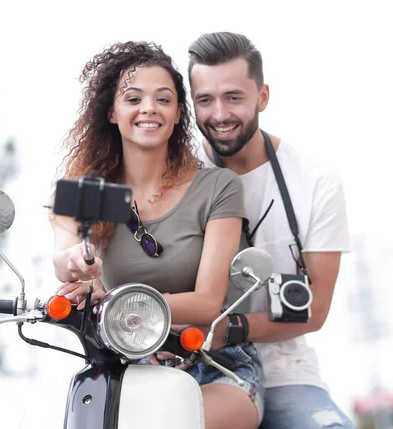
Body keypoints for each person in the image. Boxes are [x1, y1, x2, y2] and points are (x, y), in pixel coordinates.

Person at [49, 41, 264, 429]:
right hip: (130, 366)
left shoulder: (217, 187)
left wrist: (116, 301)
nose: (148, 108)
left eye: (162, 99)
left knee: (172, 421)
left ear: (178, 112)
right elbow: (63, 258)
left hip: (217, 365)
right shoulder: (85, 192)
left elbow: (206, 303)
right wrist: (76, 265)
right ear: (111, 112)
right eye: (133, 98)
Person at [187, 32, 355, 429]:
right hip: (188, 366)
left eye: (233, 97)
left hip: (285, 372)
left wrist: (232, 329)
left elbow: (314, 310)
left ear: (262, 97)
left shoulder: (317, 183)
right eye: (204, 100)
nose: (219, 114)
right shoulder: (176, 175)